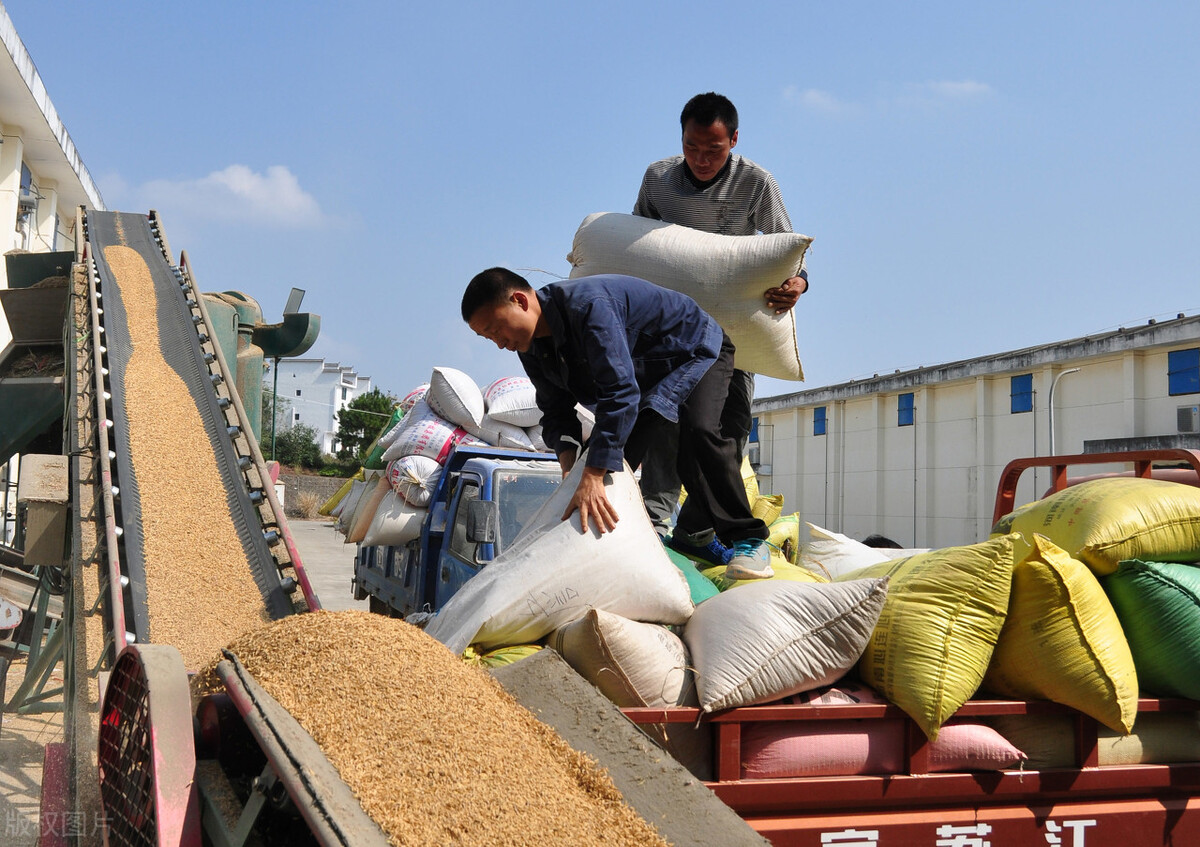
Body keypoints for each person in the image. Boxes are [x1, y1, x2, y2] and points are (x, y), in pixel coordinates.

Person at [461, 267, 773, 579]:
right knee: (609, 466)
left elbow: (620, 393)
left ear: (520, 301)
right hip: (644, 380)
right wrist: (573, 471)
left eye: (497, 329)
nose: (499, 343)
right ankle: (616, 551)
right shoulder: (531, 346)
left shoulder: (588, 308)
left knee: (698, 432)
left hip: (694, 350)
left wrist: (593, 474)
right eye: (488, 338)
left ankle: (749, 539)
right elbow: (556, 410)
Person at [633, 91, 808, 564]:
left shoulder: (757, 183)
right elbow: (635, 245)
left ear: (734, 139)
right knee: (668, 424)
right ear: (682, 139)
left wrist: (799, 283)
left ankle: (696, 529)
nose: (702, 159)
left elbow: (788, 247)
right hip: (672, 332)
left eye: (714, 149)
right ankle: (653, 521)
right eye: (692, 147)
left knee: (727, 433)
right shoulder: (658, 179)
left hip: (732, 330)